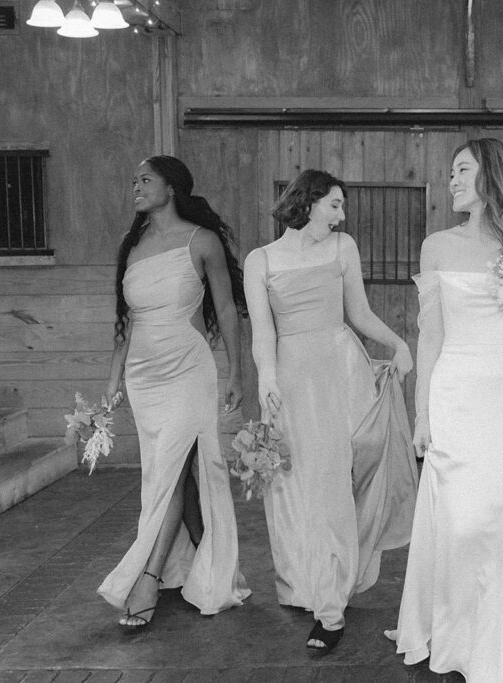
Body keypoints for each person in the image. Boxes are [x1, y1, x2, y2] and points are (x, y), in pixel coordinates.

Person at [385, 138, 503, 681]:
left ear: (492, 176)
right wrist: (422, 413)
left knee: (500, 515)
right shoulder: (436, 246)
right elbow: (429, 336)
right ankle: (458, 630)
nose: (452, 180)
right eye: (449, 172)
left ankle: (502, 643)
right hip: (456, 390)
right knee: (461, 520)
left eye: (462, 169)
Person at [243, 169, 414, 653]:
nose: (341, 216)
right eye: (335, 205)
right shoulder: (261, 260)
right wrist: (267, 377)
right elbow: (262, 333)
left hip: (339, 370)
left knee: (334, 482)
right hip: (292, 377)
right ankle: (307, 584)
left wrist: (398, 342)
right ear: (308, 202)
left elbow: (358, 314)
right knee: (293, 486)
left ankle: (332, 609)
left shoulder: (343, 249)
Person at [98, 155, 251, 629]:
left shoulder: (201, 241)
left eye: (145, 179)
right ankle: (204, 561)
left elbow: (226, 311)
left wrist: (236, 375)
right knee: (170, 477)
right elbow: (125, 322)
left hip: (188, 369)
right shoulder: (134, 244)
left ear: (172, 188)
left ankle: (146, 576)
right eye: (134, 180)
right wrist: (113, 378)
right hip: (143, 377)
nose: (136, 188)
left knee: (171, 473)